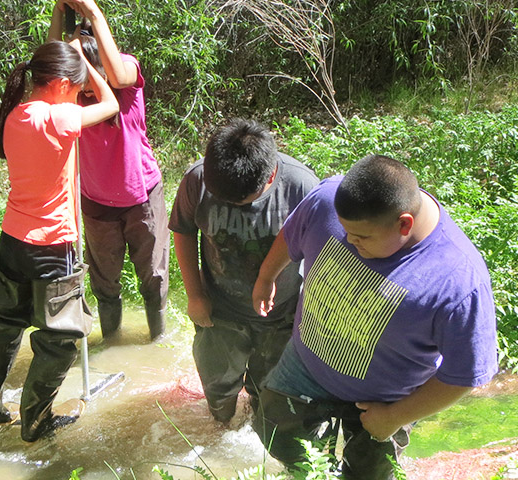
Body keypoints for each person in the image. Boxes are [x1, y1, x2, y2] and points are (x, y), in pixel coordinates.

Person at [252, 154, 498, 478]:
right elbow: (295, 229)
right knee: (282, 443)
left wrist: (395, 416)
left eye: (362, 237)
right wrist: (266, 277)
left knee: (369, 474)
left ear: (404, 223)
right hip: (305, 366)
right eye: (344, 231)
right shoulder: (329, 199)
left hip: (386, 402)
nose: (350, 242)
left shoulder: (458, 282)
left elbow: (466, 374)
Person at [0, 38, 119, 443]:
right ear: (63, 84)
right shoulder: (60, 117)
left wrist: (69, 57)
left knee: (6, 325)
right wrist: (87, 59)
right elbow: (111, 105)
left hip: (13, 238)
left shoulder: (16, 115)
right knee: (61, 337)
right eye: (75, 85)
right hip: (52, 245)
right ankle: (36, 422)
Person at [169, 119, 320, 422]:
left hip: (280, 315)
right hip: (219, 310)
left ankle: (254, 425)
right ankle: (221, 429)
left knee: (268, 389)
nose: (228, 204)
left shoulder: (300, 186)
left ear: (269, 177)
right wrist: (195, 295)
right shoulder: (198, 179)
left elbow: (319, 257)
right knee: (217, 384)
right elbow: (183, 231)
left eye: (238, 202)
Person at [48, 0, 169, 341]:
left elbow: (115, 74)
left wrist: (94, 13)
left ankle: (157, 341)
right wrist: (59, 13)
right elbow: (48, 69)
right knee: (104, 281)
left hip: (142, 194)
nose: (81, 85)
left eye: (86, 74)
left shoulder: (123, 74)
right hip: (97, 201)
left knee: (154, 276)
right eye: (74, 76)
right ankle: (112, 341)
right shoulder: (72, 96)